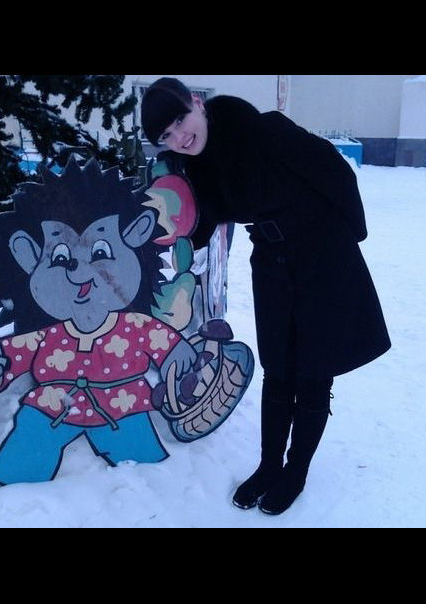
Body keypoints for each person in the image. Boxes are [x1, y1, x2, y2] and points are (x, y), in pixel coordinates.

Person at [141, 77, 391, 515]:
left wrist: (347, 239)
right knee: (278, 369)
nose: (180, 137)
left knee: (313, 372)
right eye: (167, 135)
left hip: (321, 257)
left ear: (197, 103)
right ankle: (269, 465)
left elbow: (335, 171)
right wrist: (164, 236)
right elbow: (204, 222)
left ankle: (296, 472)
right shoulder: (198, 168)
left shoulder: (265, 132)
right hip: (272, 262)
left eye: (180, 120)